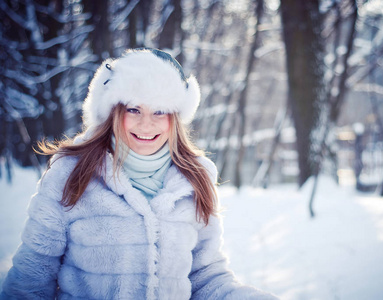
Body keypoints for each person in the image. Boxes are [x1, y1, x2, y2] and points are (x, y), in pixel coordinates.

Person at [0, 48, 278, 300]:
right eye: (134, 109)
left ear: (176, 118)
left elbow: (206, 278)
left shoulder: (194, 179)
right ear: (112, 111)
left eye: (160, 110)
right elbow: (31, 280)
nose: (147, 123)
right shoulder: (71, 173)